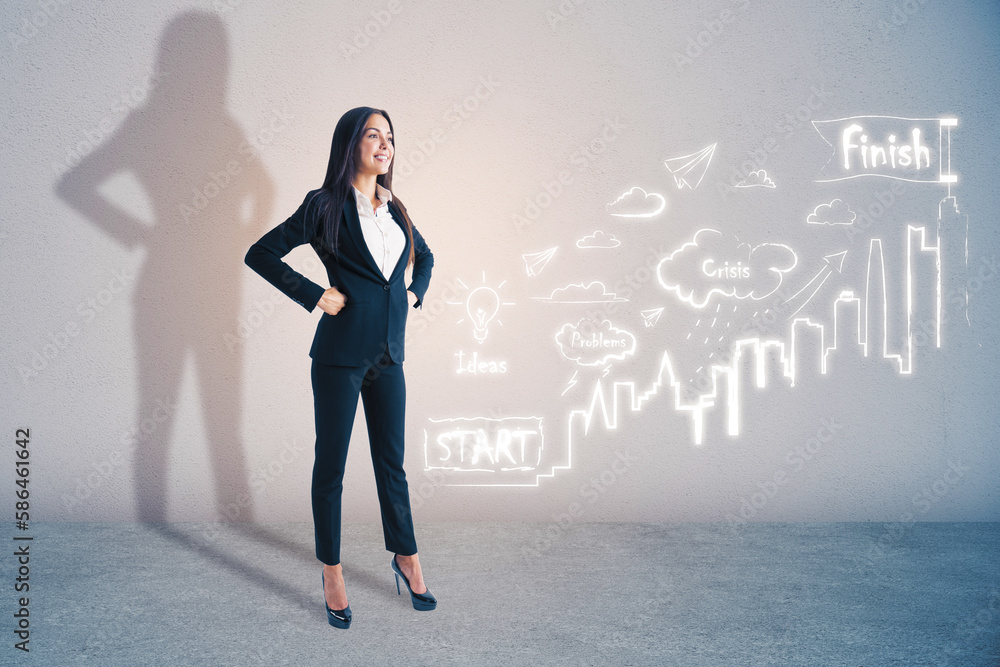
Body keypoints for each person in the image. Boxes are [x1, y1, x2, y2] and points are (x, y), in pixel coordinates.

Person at [244, 106, 436, 628]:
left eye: (390, 137)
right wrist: (313, 294)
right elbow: (260, 253)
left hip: (389, 358)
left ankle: (406, 556)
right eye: (373, 135)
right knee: (331, 470)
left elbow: (426, 259)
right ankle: (331, 571)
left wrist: (414, 295)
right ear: (350, 143)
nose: (385, 145)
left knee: (391, 466)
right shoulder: (324, 204)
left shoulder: (395, 209)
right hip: (337, 359)